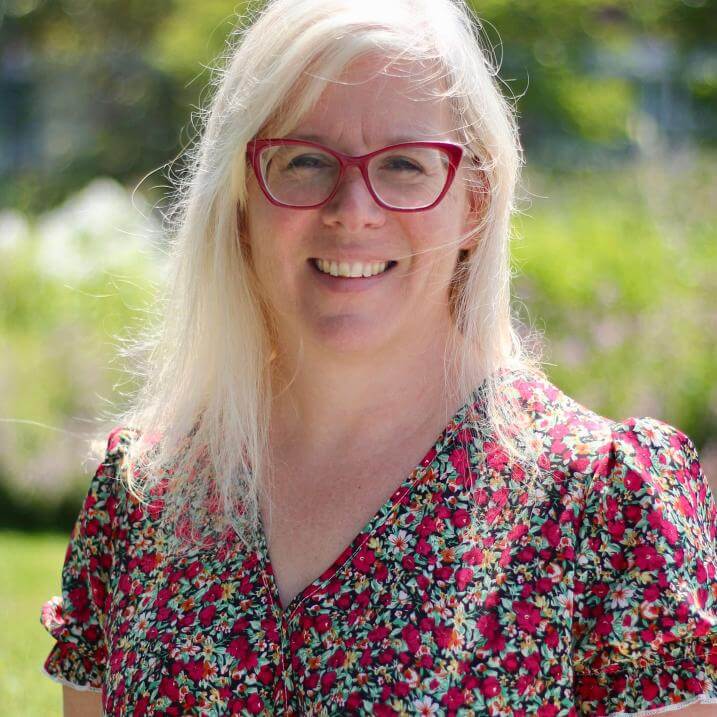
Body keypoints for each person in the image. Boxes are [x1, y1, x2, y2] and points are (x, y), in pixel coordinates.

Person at [40, 0, 717, 715]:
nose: (352, 208)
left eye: (402, 164)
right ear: (240, 199)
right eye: (303, 161)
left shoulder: (603, 503)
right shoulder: (144, 494)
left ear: (475, 203)